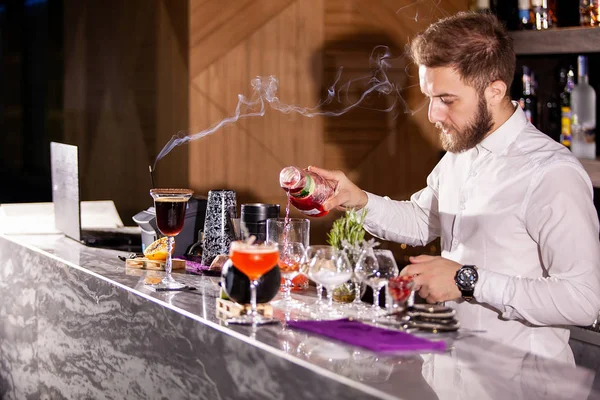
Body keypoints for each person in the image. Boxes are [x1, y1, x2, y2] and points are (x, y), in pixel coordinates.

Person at [309, 12, 600, 363]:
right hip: (452, 373)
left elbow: (583, 301)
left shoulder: (552, 173)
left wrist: (467, 280)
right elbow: (421, 220)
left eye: (447, 99)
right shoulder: (461, 152)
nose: (432, 114)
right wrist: (357, 199)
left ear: (494, 91)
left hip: (523, 385)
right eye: (430, 97)